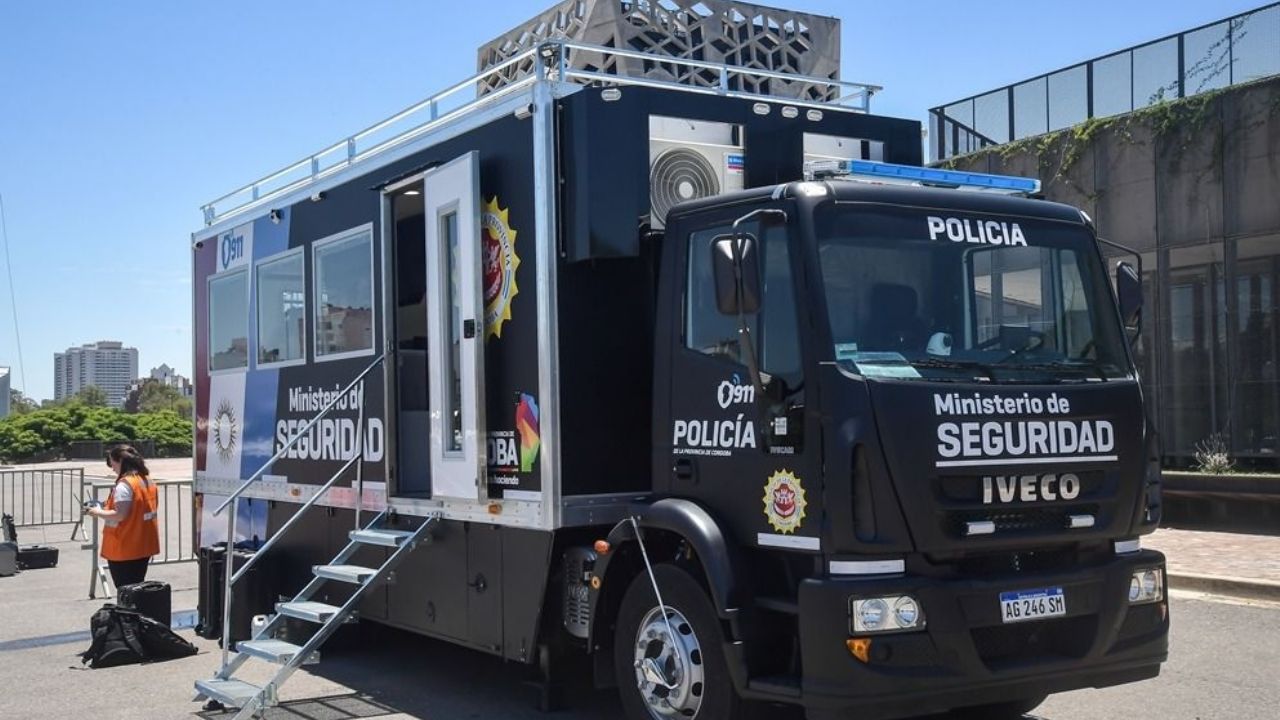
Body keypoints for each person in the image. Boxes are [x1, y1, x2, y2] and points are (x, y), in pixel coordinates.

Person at [85, 445, 160, 588]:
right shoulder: (146, 480)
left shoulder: (124, 485)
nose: (112, 468)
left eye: (112, 462)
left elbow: (120, 514)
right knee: (137, 586)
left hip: (124, 546)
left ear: (120, 461)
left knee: (125, 589)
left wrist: (96, 512)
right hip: (144, 545)